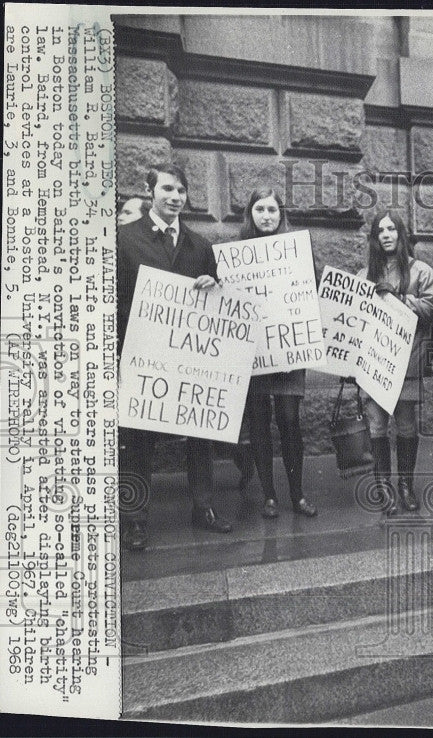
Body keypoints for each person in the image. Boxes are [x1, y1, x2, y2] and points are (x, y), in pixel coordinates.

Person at [117, 162, 232, 550]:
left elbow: (217, 301)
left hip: (190, 358)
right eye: (167, 189)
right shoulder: (124, 238)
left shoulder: (200, 246)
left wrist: (212, 285)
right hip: (140, 355)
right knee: (138, 438)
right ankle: (135, 519)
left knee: (199, 431)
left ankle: (204, 507)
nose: (175, 197)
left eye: (181, 190)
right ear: (151, 192)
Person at [239, 188, 316, 519]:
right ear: (250, 213)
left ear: (280, 214)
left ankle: (297, 494)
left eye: (271, 209)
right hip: (255, 354)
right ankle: (269, 496)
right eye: (259, 209)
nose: (266, 215)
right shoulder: (237, 253)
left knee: (288, 420)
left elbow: (313, 287)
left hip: (288, 351)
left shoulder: (296, 250)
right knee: (258, 423)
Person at [359, 211, 433, 515]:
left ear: (401, 234)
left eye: (392, 229)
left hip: (406, 361)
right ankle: (383, 486)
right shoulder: (364, 274)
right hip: (375, 363)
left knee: (405, 424)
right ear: (375, 238)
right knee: (377, 424)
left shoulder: (421, 272)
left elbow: (431, 309)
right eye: (380, 230)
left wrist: (400, 299)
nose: (386, 234)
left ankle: (405, 484)